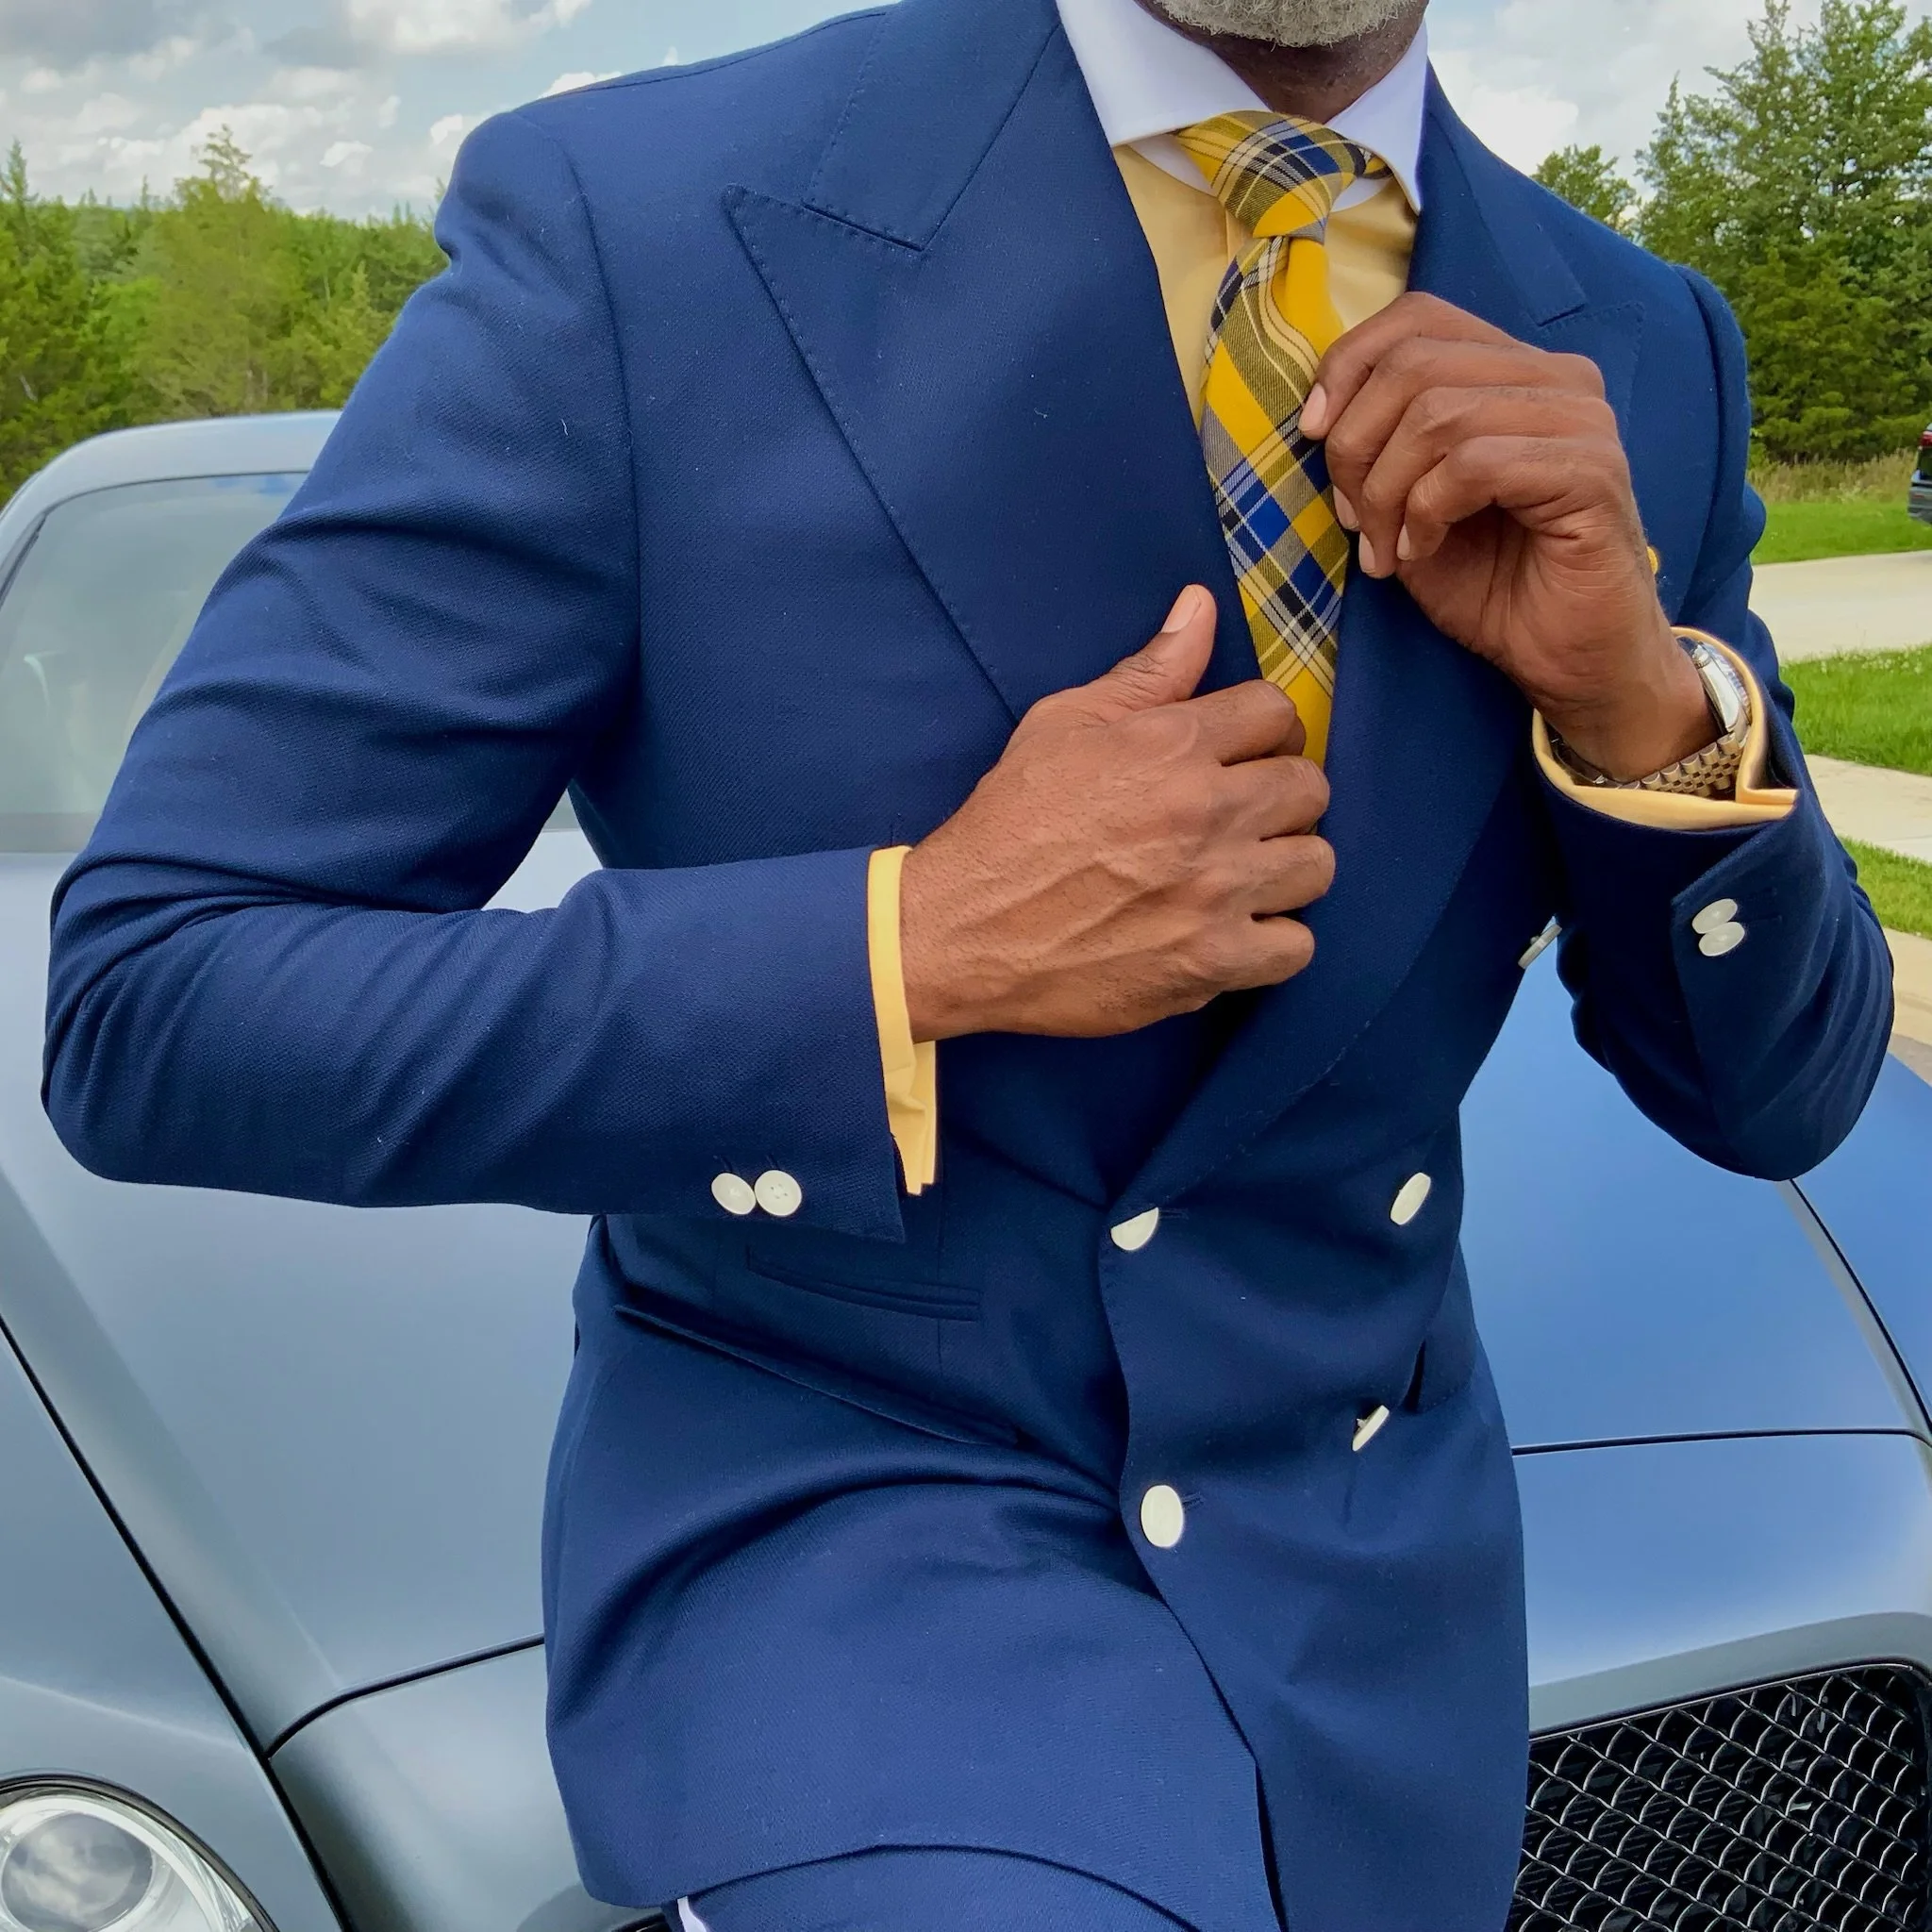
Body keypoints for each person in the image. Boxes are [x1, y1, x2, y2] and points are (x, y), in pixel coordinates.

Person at [42, 0, 1893, 1921]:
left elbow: (1778, 1093)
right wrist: (902, 946)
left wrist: (1638, 697)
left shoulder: (1642, 350)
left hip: (1383, 1648)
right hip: (859, 1580)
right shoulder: (642, 225)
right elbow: (159, 993)